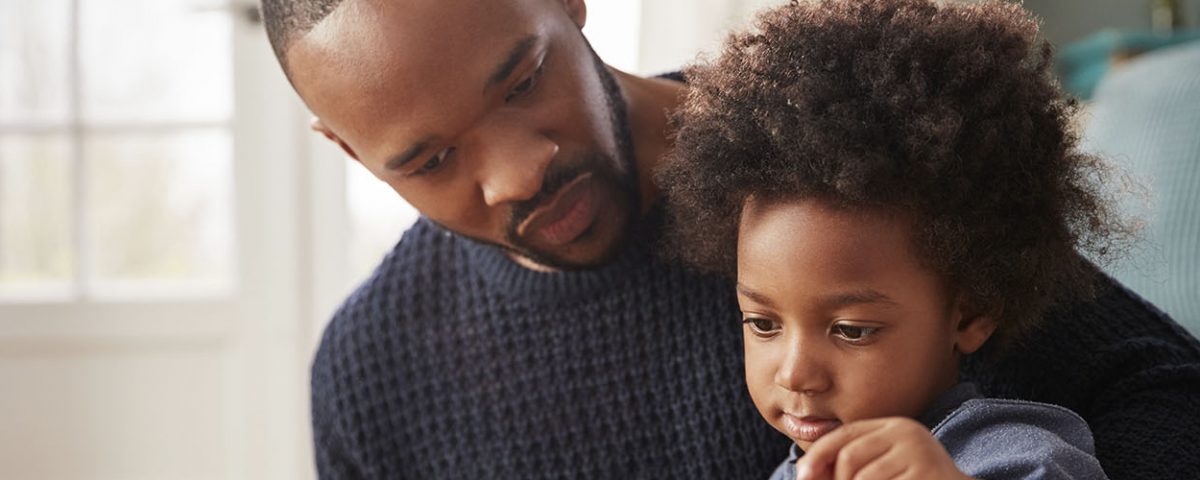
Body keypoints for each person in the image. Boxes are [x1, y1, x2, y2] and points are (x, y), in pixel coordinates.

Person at [256, 0, 1200, 478]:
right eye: (426, 159)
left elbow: (1168, 394)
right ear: (347, 147)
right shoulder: (371, 372)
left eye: (520, 82)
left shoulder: (827, 171)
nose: (515, 171)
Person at [657, 1, 1123, 478]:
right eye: (762, 323)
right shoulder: (794, 471)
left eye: (852, 330)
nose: (795, 374)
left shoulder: (1019, 458)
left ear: (973, 313)